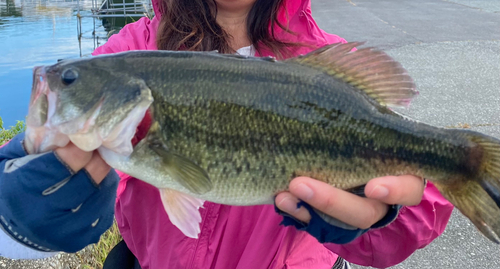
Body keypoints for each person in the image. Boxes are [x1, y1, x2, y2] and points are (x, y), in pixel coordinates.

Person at [0, 0, 454, 268]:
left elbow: (424, 207)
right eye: (72, 79)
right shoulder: (133, 49)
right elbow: (19, 186)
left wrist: (382, 216)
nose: (61, 83)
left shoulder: (324, 63)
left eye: (72, 80)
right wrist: (16, 209)